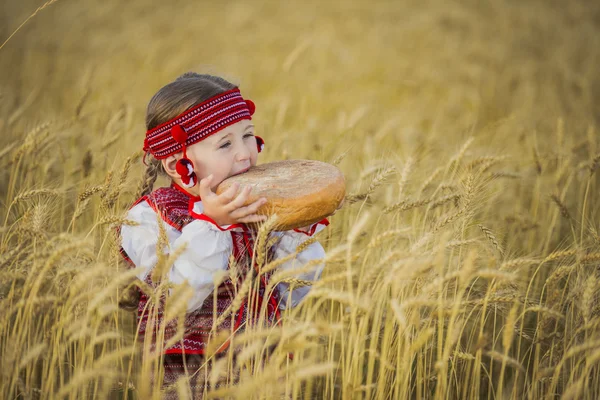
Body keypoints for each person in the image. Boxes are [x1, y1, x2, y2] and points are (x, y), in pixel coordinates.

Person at [118, 72, 332, 398]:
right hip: (192, 375)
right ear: (178, 164)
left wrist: (294, 232)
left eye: (248, 135)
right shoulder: (149, 218)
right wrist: (212, 223)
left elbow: (289, 292)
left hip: (263, 368)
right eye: (226, 144)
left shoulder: (254, 208)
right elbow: (178, 296)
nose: (245, 153)